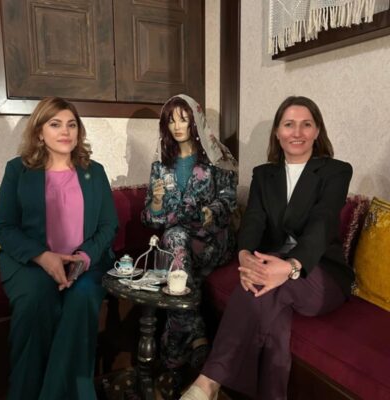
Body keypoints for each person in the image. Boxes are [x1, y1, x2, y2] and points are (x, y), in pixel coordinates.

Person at [181, 96, 354, 400]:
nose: (297, 132)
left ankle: (209, 381)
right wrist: (245, 256)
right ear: (277, 131)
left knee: (261, 283)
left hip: (320, 272)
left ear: (317, 131)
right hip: (271, 265)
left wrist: (290, 267)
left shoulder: (336, 171)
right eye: (289, 124)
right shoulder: (264, 174)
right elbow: (253, 220)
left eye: (306, 124)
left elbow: (324, 222)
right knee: (271, 308)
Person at [0, 97, 118, 400]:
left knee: (81, 300)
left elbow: (108, 225)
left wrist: (84, 258)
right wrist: (43, 257)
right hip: (30, 262)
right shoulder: (17, 170)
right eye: (55, 124)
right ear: (40, 132)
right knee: (35, 299)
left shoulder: (94, 172)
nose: (65, 131)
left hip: (87, 262)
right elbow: (5, 227)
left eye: (71, 124)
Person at [141, 94, 238, 397]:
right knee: (175, 242)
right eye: (171, 120)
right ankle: (194, 344)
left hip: (211, 242)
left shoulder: (216, 159)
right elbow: (150, 219)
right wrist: (157, 202)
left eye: (183, 118)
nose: (177, 126)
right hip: (178, 246)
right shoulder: (161, 166)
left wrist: (210, 212)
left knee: (174, 245)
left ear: (195, 121)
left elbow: (229, 202)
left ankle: (173, 364)